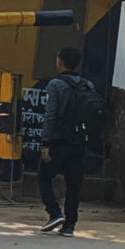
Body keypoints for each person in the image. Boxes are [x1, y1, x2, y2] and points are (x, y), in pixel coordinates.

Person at [38, 47, 97, 237]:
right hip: (79, 142)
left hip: (58, 142)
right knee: (74, 184)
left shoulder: (55, 84)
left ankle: (55, 213)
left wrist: (45, 144)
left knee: (44, 176)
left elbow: (50, 115)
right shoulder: (88, 85)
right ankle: (69, 225)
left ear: (60, 62)